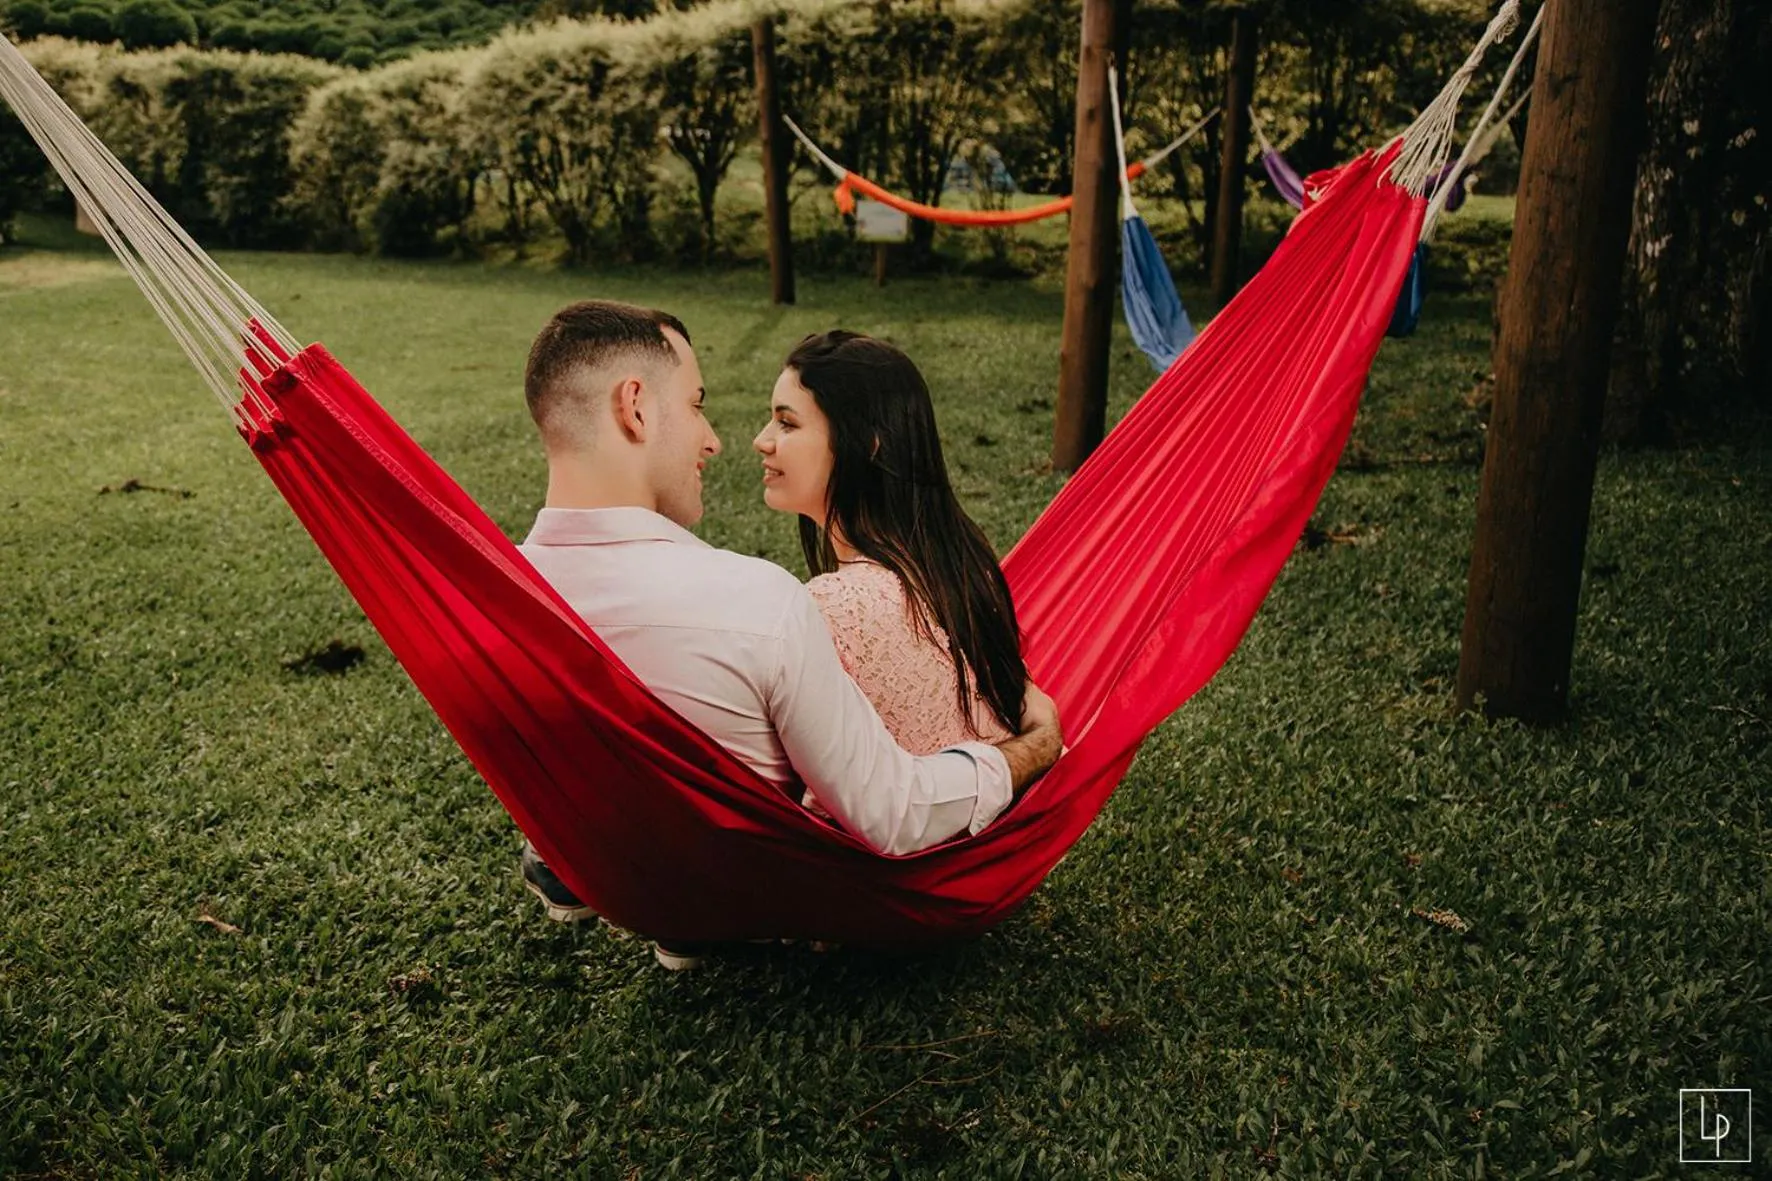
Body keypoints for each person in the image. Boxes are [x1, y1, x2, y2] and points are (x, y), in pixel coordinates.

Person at [511, 301, 1061, 969]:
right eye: (696, 406)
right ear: (636, 407)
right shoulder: (763, 605)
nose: (723, 439)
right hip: (834, 873)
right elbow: (889, 808)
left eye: (785, 421)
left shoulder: (494, 605)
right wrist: (1031, 747)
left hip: (630, 868)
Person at [752, 331, 1029, 780]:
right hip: (973, 815)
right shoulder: (960, 564)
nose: (762, 441)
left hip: (895, 839)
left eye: (787, 423)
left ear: (868, 444)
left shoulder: (834, 605)